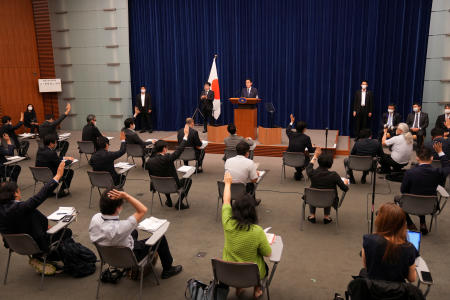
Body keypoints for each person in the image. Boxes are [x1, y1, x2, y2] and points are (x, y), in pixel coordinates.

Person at [89, 189, 182, 279]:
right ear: (118, 208)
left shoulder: (95, 218)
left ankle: (128, 267)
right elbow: (142, 210)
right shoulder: (123, 227)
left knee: (134, 231)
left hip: (108, 256)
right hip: (131, 257)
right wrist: (126, 196)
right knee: (161, 239)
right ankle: (168, 269)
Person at [0, 161, 72, 274]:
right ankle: (46, 257)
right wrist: (57, 176)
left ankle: (39, 257)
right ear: (16, 193)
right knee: (66, 232)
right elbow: (40, 196)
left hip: (14, 245)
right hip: (35, 244)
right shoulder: (22, 208)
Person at [221, 171, 271, 299]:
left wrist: (227, 183)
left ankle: (238, 286)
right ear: (252, 212)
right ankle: (257, 290)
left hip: (229, 271)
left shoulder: (227, 223)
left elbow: (226, 200)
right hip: (252, 274)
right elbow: (268, 253)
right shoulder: (257, 231)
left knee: (238, 259)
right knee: (262, 266)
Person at [396, 144, 450, 235]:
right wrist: (440, 152)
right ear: (432, 158)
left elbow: (403, 190)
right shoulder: (437, 172)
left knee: (397, 198)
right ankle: (423, 224)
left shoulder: (410, 173)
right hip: (430, 207)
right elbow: (447, 167)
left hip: (410, 205)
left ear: (417, 158)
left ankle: (410, 224)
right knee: (424, 194)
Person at [360, 203, 418, 283]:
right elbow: (412, 279)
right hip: (397, 293)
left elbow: (366, 266)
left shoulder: (368, 240)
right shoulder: (410, 249)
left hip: (373, 291)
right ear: (403, 224)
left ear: (380, 221)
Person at [146, 125, 191, 210]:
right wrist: (185, 136)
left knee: (163, 175)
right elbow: (179, 150)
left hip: (158, 186)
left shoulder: (149, 161)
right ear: (164, 149)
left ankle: (169, 201)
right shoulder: (167, 158)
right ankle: (179, 203)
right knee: (188, 180)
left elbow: (151, 175)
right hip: (173, 186)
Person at [306, 148, 349, 224]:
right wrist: (345, 183)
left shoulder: (312, 173)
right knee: (328, 193)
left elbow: (309, 166)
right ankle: (326, 217)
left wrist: (315, 155)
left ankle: (312, 216)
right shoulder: (334, 175)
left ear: (319, 162)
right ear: (330, 164)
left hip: (312, 199)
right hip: (329, 201)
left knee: (314, 191)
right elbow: (345, 189)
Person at [286, 114, 315, 180]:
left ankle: (298, 172)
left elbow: (288, 129)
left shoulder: (291, 134)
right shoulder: (306, 138)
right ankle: (300, 172)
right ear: (304, 129)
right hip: (300, 160)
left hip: (289, 160)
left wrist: (291, 122)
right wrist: (314, 147)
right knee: (307, 156)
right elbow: (311, 151)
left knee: (299, 154)